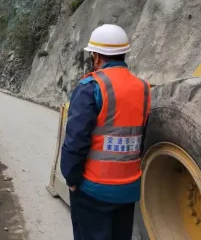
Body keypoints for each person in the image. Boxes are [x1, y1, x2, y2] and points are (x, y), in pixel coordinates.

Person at [60, 24, 151, 240]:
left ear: (97, 56)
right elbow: (141, 137)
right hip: (128, 188)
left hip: (93, 189)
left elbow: (76, 141)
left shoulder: (91, 86)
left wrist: (71, 178)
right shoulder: (143, 88)